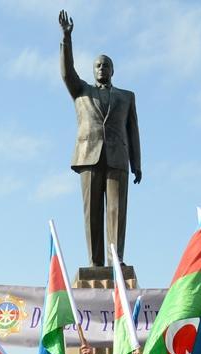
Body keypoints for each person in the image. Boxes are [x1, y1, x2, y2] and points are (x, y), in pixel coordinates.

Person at [58, 10, 141, 267]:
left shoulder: (127, 96)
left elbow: (133, 131)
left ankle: (116, 261)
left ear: (113, 69)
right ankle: (95, 264)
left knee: (116, 212)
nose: (102, 68)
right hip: (89, 156)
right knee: (92, 213)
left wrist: (136, 164)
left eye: (106, 64)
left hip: (118, 157)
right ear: (93, 70)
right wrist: (66, 39)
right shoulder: (81, 90)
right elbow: (66, 72)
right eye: (98, 65)